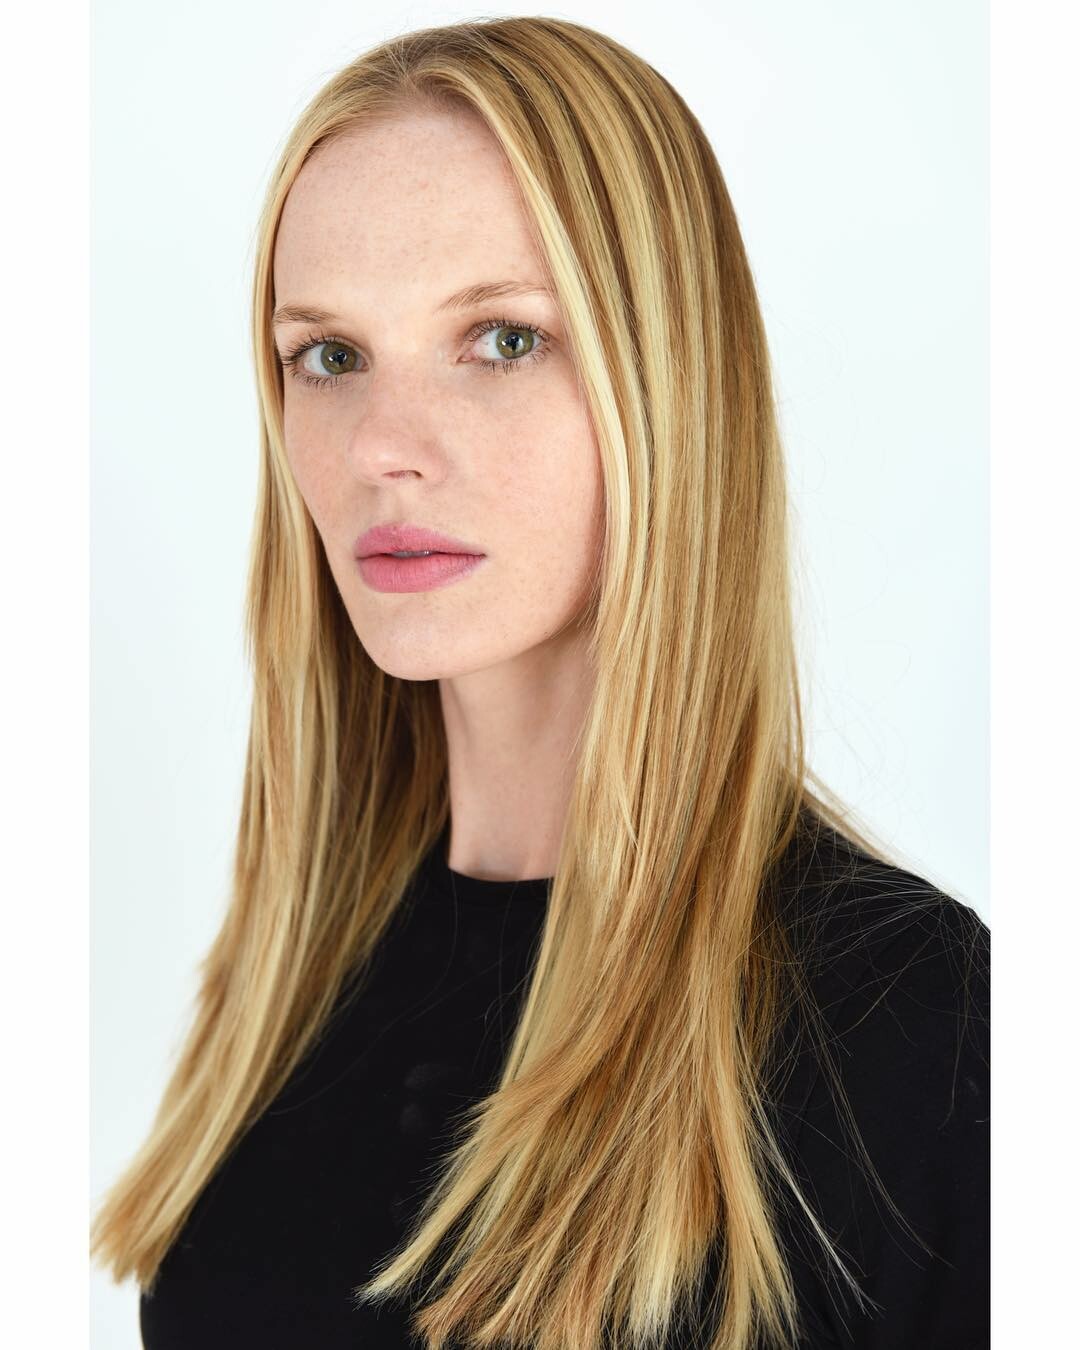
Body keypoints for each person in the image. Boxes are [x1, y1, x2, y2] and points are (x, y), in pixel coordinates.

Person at [90, 17, 989, 1350]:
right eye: (330, 354)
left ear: (668, 380)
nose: (382, 448)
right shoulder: (285, 988)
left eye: (503, 339)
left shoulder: (926, 1028)